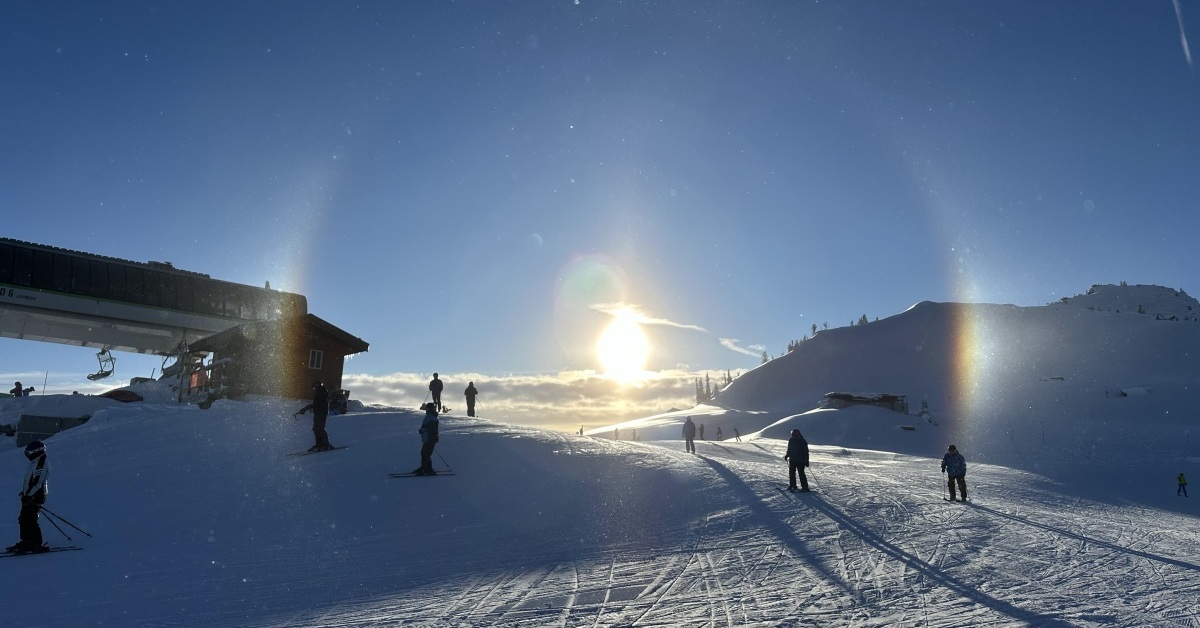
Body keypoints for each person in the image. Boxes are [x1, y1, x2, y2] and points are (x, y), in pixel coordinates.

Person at [6, 441, 50, 554]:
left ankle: (34, 543)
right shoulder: (36, 462)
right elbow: (31, 481)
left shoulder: (40, 463)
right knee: (25, 518)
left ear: (35, 452)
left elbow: (37, 482)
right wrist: (25, 493)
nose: (27, 456)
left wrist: (29, 495)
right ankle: (27, 541)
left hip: (35, 496)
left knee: (30, 519)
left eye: (28, 453)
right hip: (32, 495)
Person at [293, 381, 333, 451]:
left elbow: (319, 404)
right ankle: (319, 444)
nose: (314, 389)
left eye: (315, 387)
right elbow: (316, 405)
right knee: (316, 428)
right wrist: (306, 409)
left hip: (322, 413)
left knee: (320, 428)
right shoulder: (319, 393)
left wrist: (306, 408)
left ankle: (326, 444)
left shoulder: (322, 393)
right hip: (318, 413)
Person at [414, 403, 440, 475]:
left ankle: (427, 469)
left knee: (425, 453)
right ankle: (424, 467)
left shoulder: (429, 417)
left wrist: (421, 430)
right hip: (431, 437)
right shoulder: (433, 416)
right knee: (425, 453)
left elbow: (426, 427)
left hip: (429, 438)